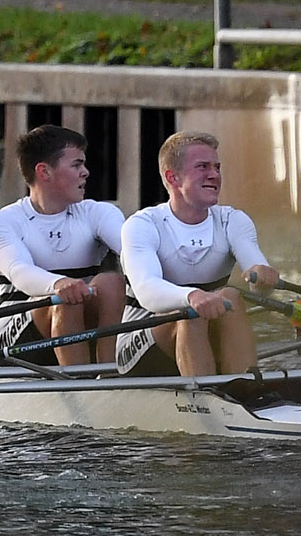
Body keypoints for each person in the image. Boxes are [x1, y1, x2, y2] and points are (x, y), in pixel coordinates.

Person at [119, 131, 278, 377]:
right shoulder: (143, 225)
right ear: (173, 177)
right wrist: (191, 296)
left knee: (231, 296)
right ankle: (207, 399)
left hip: (206, 329)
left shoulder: (232, 220)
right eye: (203, 167)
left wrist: (262, 276)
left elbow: (255, 268)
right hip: (140, 343)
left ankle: (247, 387)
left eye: (217, 167)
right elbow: (147, 290)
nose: (214, 175)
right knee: (190, 313)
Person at [0, 124, 129, 367]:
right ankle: (79, 382)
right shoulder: (2, 222)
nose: (86, 172)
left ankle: (110, 373)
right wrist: (58, 284)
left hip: (80, 323)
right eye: (76, 164)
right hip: (19, 341)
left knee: (111, 283)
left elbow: (132, 253)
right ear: (44, 172)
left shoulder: (99, 212)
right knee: (65, 300)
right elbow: (19, 272)